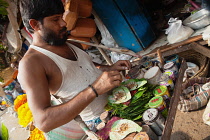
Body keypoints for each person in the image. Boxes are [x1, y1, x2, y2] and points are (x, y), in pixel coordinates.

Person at [18, 0, 131, 139]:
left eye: (62, 17)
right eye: (55, 19)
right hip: (104, 122)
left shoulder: (68, 42)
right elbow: (43, 121)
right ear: (35, 25)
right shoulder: (31, 64)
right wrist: (95, 89)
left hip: (122, 99)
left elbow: (86, 68)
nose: (63, 23)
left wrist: (110, 68)